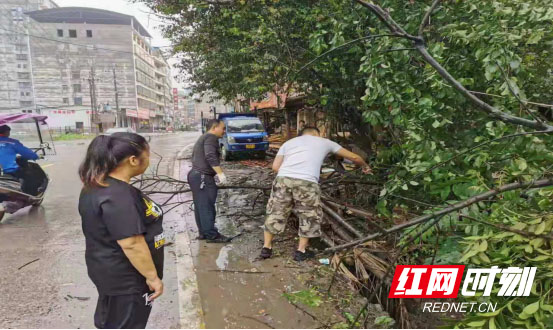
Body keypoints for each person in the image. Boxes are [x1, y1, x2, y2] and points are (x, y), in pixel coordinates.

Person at [78, 133, 164, 329]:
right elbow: (131, 243)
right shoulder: (118, 195)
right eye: (147, 155)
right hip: (126, 280)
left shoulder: (97, 186)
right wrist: (152, 277)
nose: (149, 160)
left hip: (110, 273)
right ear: (133, 160)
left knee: (113, 322)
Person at [260, 126, 372, 261]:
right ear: (317, 134)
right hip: (307, 182)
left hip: (283, 179)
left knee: (275, 212)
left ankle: (266, 248)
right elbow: (354, 157)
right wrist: (366, 167)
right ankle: (300, 251)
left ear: (301, 135)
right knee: (308, 214)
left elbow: (275, 167)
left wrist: (291, 175)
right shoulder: (325, 142)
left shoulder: (288, 143)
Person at [188, 119, 232, 243]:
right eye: (223, 128)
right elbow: (210, 156)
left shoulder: (204, 137)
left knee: (201, 205)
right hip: (202, 176)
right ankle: (212, 235)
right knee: (207, 206)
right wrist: (220, 174)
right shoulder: (211, 137)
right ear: (214, 127)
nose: (224, 131)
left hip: (196, 175)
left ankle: (204, 232)